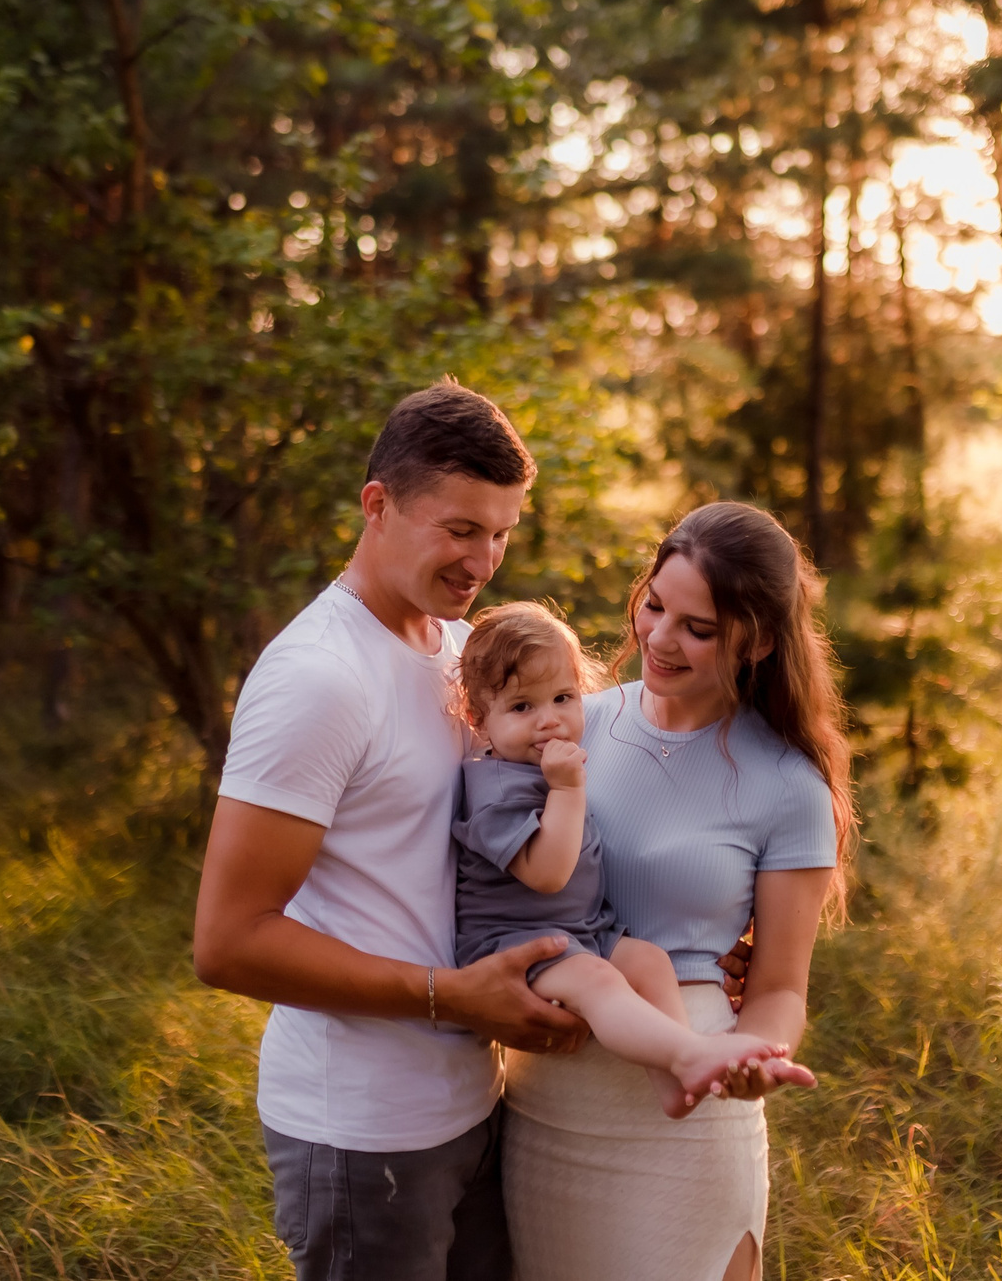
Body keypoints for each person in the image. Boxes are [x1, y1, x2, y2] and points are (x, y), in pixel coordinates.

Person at [192, 381, 587, 1281]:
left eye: (502, 533)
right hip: (361, 1134)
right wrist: (454, 997)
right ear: (378, 505)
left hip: (474, 1104)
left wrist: (695, 945)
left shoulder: (462, 653)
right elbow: (227, 941)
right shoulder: (319, 677)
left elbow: (531, 829)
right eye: (461, 529)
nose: (483, 560)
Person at [500, 502, 857, 1281]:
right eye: (655, 605)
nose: (660, 638)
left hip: (693, 1103)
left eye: (698, 627)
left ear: (758, 640)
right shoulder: (570, 726)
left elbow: (780, 988)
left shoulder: (788, 783)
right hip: (550, 1097)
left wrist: (755, 1052)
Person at [449, 602, 816, 1119]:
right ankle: (688, 1054)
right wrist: (568, 789)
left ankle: (673, 1081)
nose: (549, 720)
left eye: (562, 698)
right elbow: (548, 873)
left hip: (581, 931)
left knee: (649, 961)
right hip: (516, 943)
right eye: (522, 707)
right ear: (478, 719)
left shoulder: (543, 764)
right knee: (598, 982)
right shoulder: (495, 788)